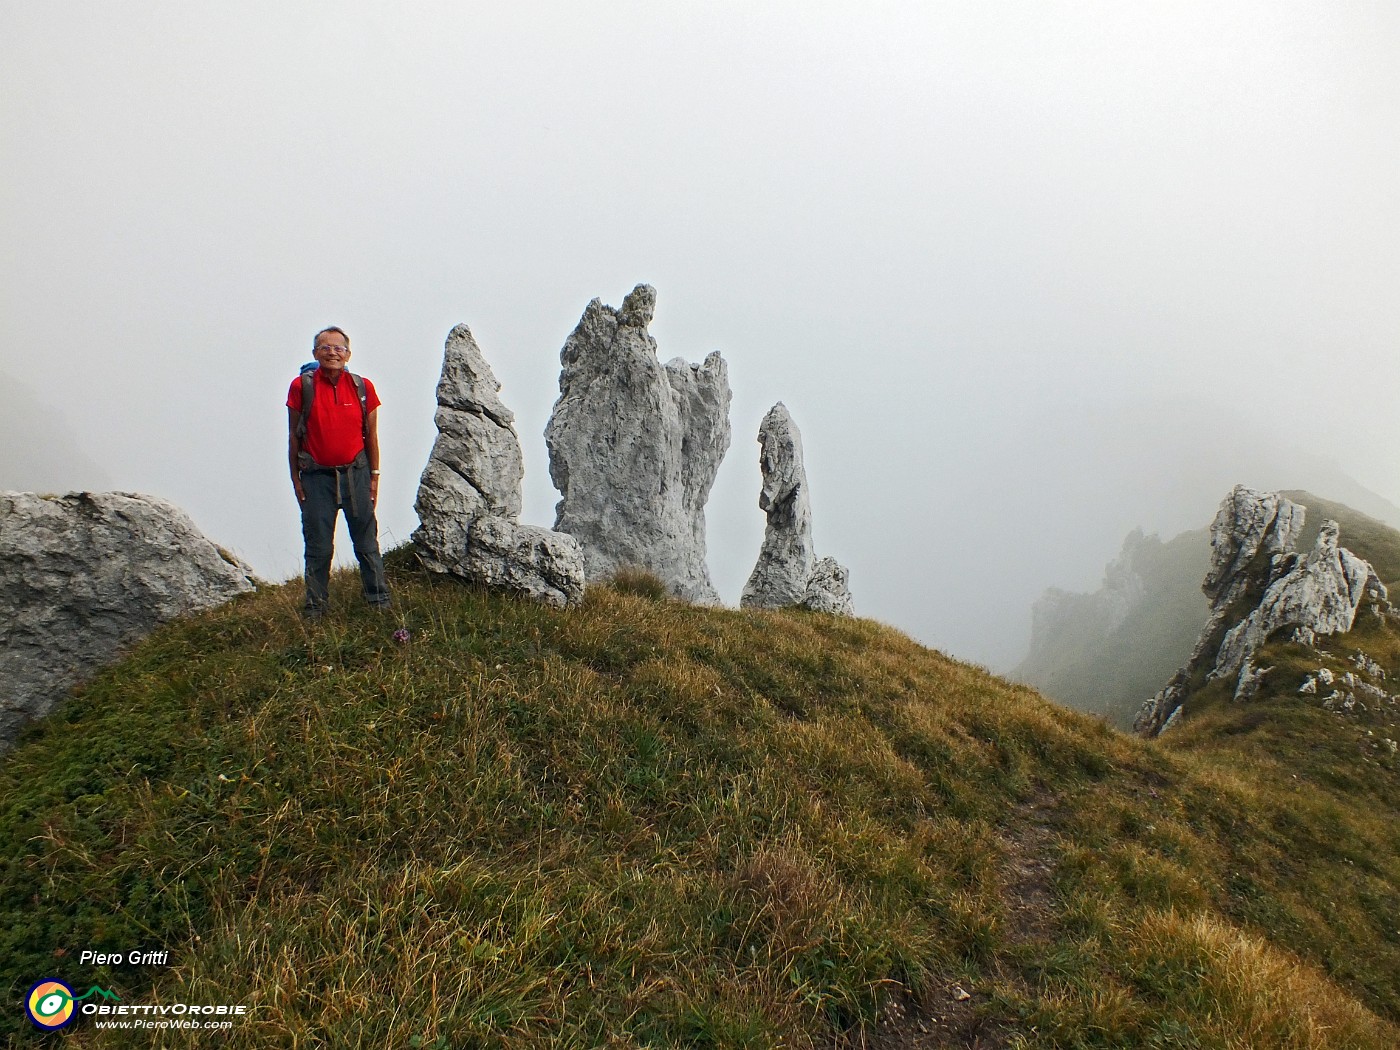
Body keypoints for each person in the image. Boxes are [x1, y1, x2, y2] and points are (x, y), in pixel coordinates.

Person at [287, 326, 391, 617]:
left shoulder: (362, 387)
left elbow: (371, 436)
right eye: (325, 347)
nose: (332, 352)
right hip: (316, 478)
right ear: (315, 353)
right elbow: (294, 436)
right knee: (318, 547)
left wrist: (374, 476)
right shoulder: (301, 387)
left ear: (348, 354)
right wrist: (296, 480)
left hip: (355, 474)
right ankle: (315, 609)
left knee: (367, 542)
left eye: (338, 348)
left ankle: (379, 602)